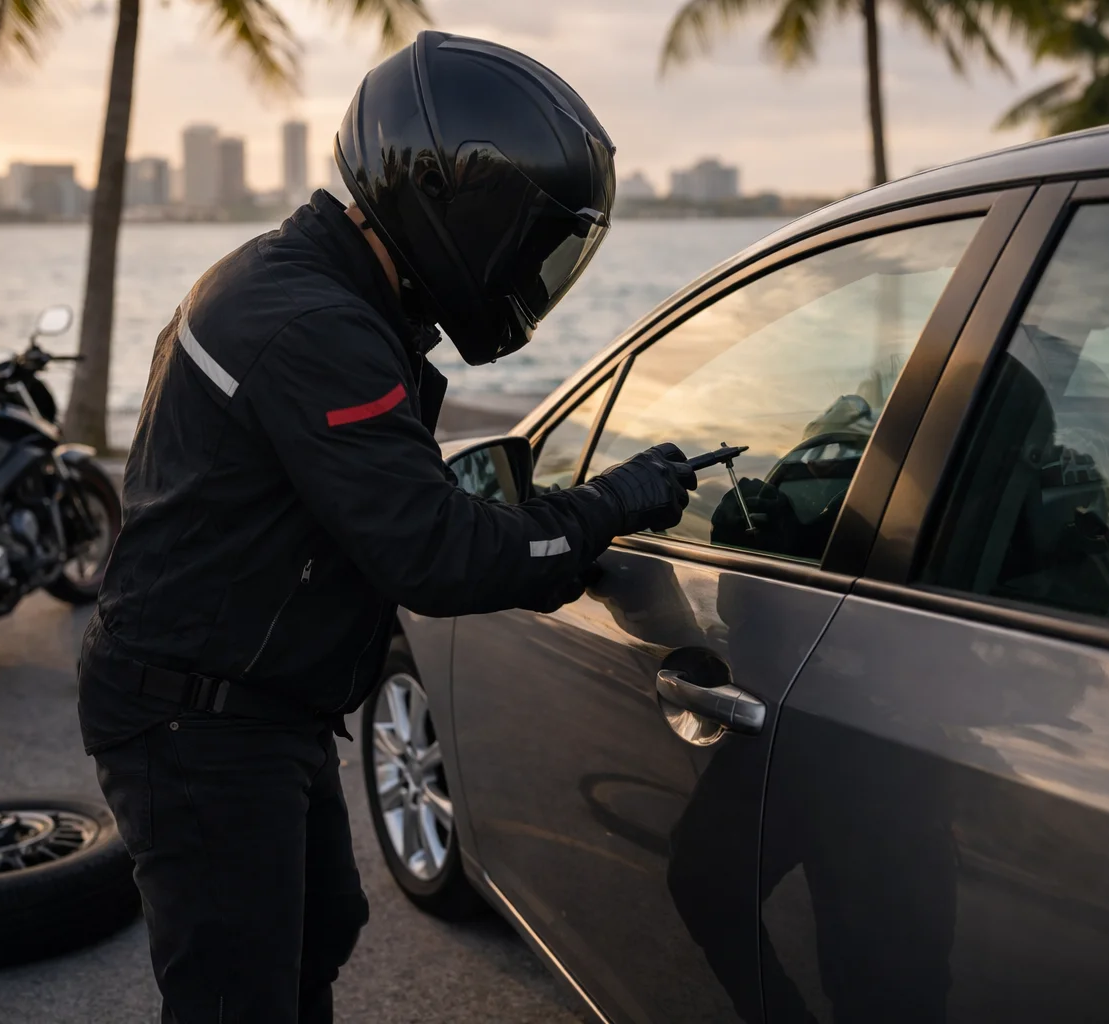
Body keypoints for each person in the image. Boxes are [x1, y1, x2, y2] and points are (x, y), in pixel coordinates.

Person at [78, 31, 698, 1024]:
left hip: (243, 703)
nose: (531, 268)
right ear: (454, 207)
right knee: (241, 998)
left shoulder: (293, 281)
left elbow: (371, 502)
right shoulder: (317, 327)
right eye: (528, 241)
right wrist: (611, 505)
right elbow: (437, 554)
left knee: (318, 934)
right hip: (199, 723)